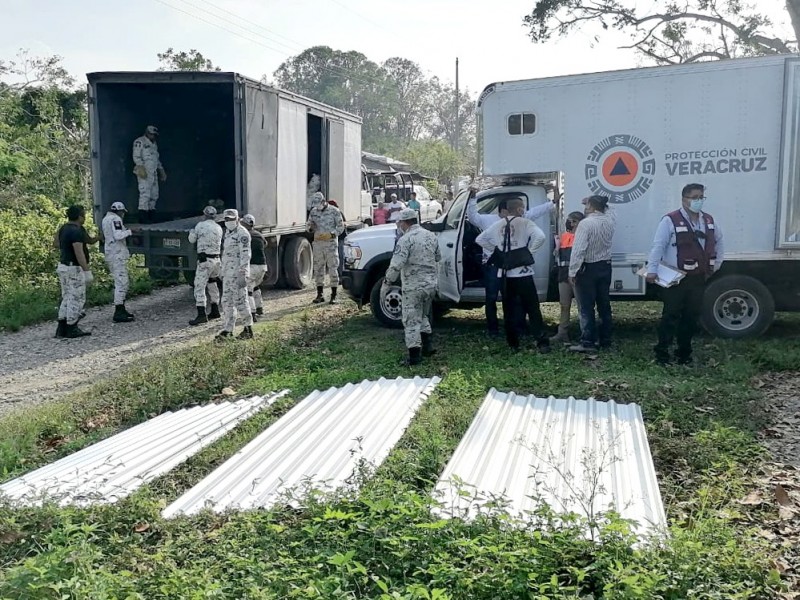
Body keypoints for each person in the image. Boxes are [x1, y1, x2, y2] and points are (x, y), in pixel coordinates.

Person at [647, 183, 724, 365]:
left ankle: (684, 354)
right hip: (676, 277)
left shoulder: (708, 221)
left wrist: (717, 264)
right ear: (684, 199)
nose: (698, 201)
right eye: (694, 197)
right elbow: (658, 246)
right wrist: (652, 270)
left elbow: (719, 241)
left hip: (697, 277)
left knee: (691, 316)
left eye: (701, 197)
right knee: (670, 315)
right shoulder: (670, 220)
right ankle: (662, 354)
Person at [466, 187, 556, 336]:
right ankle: (493, 329)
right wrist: (498, 253)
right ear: (503, 211)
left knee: (513, 298)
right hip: (495, 264)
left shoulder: (521, 219)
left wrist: (552, 203)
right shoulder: (491, 221)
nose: (520, 213)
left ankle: (517, 328)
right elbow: (473, 216)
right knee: (492, 298)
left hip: (512, 265)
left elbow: (536, 212)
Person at [382, 208, 440, 366]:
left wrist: (387, 283)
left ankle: (414, 357)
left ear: (405, 223)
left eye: (400, 222)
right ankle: (428, 347)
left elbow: (396, 265)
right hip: (430, 285)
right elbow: (438, 257)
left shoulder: (405, 240)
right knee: (423, 316)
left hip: (413, 286)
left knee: (410, 320)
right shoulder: (431, 236)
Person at [568, 195, 616, 353]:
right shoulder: (609, 220)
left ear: (590, 206)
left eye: (587, 204)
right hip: (605, 266)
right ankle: (606, 340)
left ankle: (587, 342)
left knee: (586, 307)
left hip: (588, 268)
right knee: (604, 304)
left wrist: (572, 271)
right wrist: (601, 203)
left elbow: (579, 249)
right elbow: (610, 210)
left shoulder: (585, 223)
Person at [55, 206, 92, 338]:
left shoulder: (64, 228)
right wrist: (86, 270)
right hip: (74, 268)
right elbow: (79, 252)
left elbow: (56, 244)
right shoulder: (76, 231)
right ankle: (72, 327)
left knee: (66, 297)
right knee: (76, 297)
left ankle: (61, 328)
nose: (85, 217)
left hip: (63, 266)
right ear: (79, 217)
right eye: (84, 215)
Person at [217, 209, 254, 340]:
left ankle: (248, 328)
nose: (229, 222)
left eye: (231, 219)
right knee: (226, 301)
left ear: (238, 219)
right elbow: (226, 254)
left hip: (238, 273)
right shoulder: (227, 233)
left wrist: (243, 273)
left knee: (241, 300)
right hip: (227, 274)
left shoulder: (242, 234)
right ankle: (228, 329)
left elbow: (246, 255)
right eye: (226, 219)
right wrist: (222, 271)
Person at [551, 211, 586, 344]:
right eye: (569, 220)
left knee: (583, 307)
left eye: (573, 221)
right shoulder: (564, 236)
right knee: (564, 305)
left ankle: (586, 335)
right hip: (564, 275)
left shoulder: (583, 236)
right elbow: (558, 255)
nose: (570, 223)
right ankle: (562, 333)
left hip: (578, 276)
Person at [307, 192, 345, 304]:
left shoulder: (334, 211)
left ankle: (334, 295)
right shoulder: (314, 212)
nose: (317, 206)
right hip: (318, 244)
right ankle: (320, 294)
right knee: (318, 269)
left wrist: (332, 234)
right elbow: (308, 225)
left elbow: (341, 227)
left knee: (333, 268)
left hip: (331, 244)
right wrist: (310, 228)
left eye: (318, 204)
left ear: (324, 201)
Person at [187, 205, 223, 325]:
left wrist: (192, 232)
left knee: (199, 286)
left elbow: (192, 240)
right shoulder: (219, 228)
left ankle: (201, 314)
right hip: (217, 260)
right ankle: (215, 309)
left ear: (204, 215)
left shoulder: (200, 226)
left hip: (205, 260)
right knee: (213, 283)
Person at [101, 202, 135, 323]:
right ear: (120, 211)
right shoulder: (116, 219)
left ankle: (121, 309)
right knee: (122, 282)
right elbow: (118, 235)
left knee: (119, 281)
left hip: (111, 252)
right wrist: (130, 231)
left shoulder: (105, 219)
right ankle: (119, 310)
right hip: (117, 254)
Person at [132, 125, 166, 224]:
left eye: (154, 135)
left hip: (153, 172)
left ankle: (151, 215)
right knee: (145, 193)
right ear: (147, 133)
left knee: (154, 194)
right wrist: (140, 167)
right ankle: (143, 216)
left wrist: (161, 170)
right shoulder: (139, 142)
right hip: (144, 172)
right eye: (151, 134)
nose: (153, 136)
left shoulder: (154, 144)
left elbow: (156, 158)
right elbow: (136, 156)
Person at [240, 213, 268, 321]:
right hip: (263, 266)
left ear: (245, 224)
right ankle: (259, 307)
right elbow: (265, 244)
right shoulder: (259, 234)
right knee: (256, 286)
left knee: (248, 290)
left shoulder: (245, 235)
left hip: (252, 266)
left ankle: (252, 313)